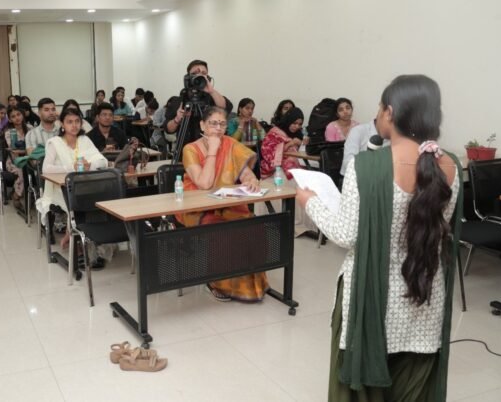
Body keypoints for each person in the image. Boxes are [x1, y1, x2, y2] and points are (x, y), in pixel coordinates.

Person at [297, 75, 461, 401]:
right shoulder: (450, 165)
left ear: (390, 112)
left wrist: (309, 201)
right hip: (425, 293)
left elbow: (346, 234)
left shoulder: (368, 166)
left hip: (372, 296)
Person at [175, 107, 265, 301]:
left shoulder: (231, 144)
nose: (218, 128)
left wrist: (250, 179)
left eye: (222, 124)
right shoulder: (190, 149)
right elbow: (204, 183)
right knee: (223, 230)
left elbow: (244, 171)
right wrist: (213, 150)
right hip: (196, 207)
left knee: (251, 225)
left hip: (227, 202)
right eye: (213, 123)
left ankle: (249, 287)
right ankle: (217, 282)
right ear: (202, 125)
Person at [37, 108, 107, 253]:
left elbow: (103, 161)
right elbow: (46, 169)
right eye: (69, 122)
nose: (74, 125)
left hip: (84, 185)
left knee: (99, 200)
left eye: (77, 122)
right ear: (62, 124)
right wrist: (71, 167)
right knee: (77, 202)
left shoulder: (84, 140)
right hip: (59, 188)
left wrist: (90, 165)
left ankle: (92, 237)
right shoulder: (54, 143)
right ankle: (75, 237)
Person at [164, 59, 233, 149]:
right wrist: (177, 119)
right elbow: (169, 129)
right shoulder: (179, 101)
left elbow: (225, 107)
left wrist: (211, 91)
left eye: (204, 73)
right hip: (186, 151)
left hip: (210, 151)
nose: (200, 76)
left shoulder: (212, 98)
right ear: (187, 78)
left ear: (207, 78)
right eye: (195, 73)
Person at [260, 107, 306, 179]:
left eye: (300, 124)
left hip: (291, 168)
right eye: (294, 123)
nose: (297, 126)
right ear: (288, 120)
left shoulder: (298, 134)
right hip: (274, 169)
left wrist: (302, 144)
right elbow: (269, 154)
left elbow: (301, 152)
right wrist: (290, 143)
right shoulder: (274, 133)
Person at [4, 106, 31, 207]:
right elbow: (14, 150)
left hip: (30, 158)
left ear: (23, 115)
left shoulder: (30, 128)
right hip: (14, 161)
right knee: (22, 171)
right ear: (10, 119)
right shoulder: (9, 132)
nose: (17, 118)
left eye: (19, 114)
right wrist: (27, 149)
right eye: (13, 116)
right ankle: (16, 195)